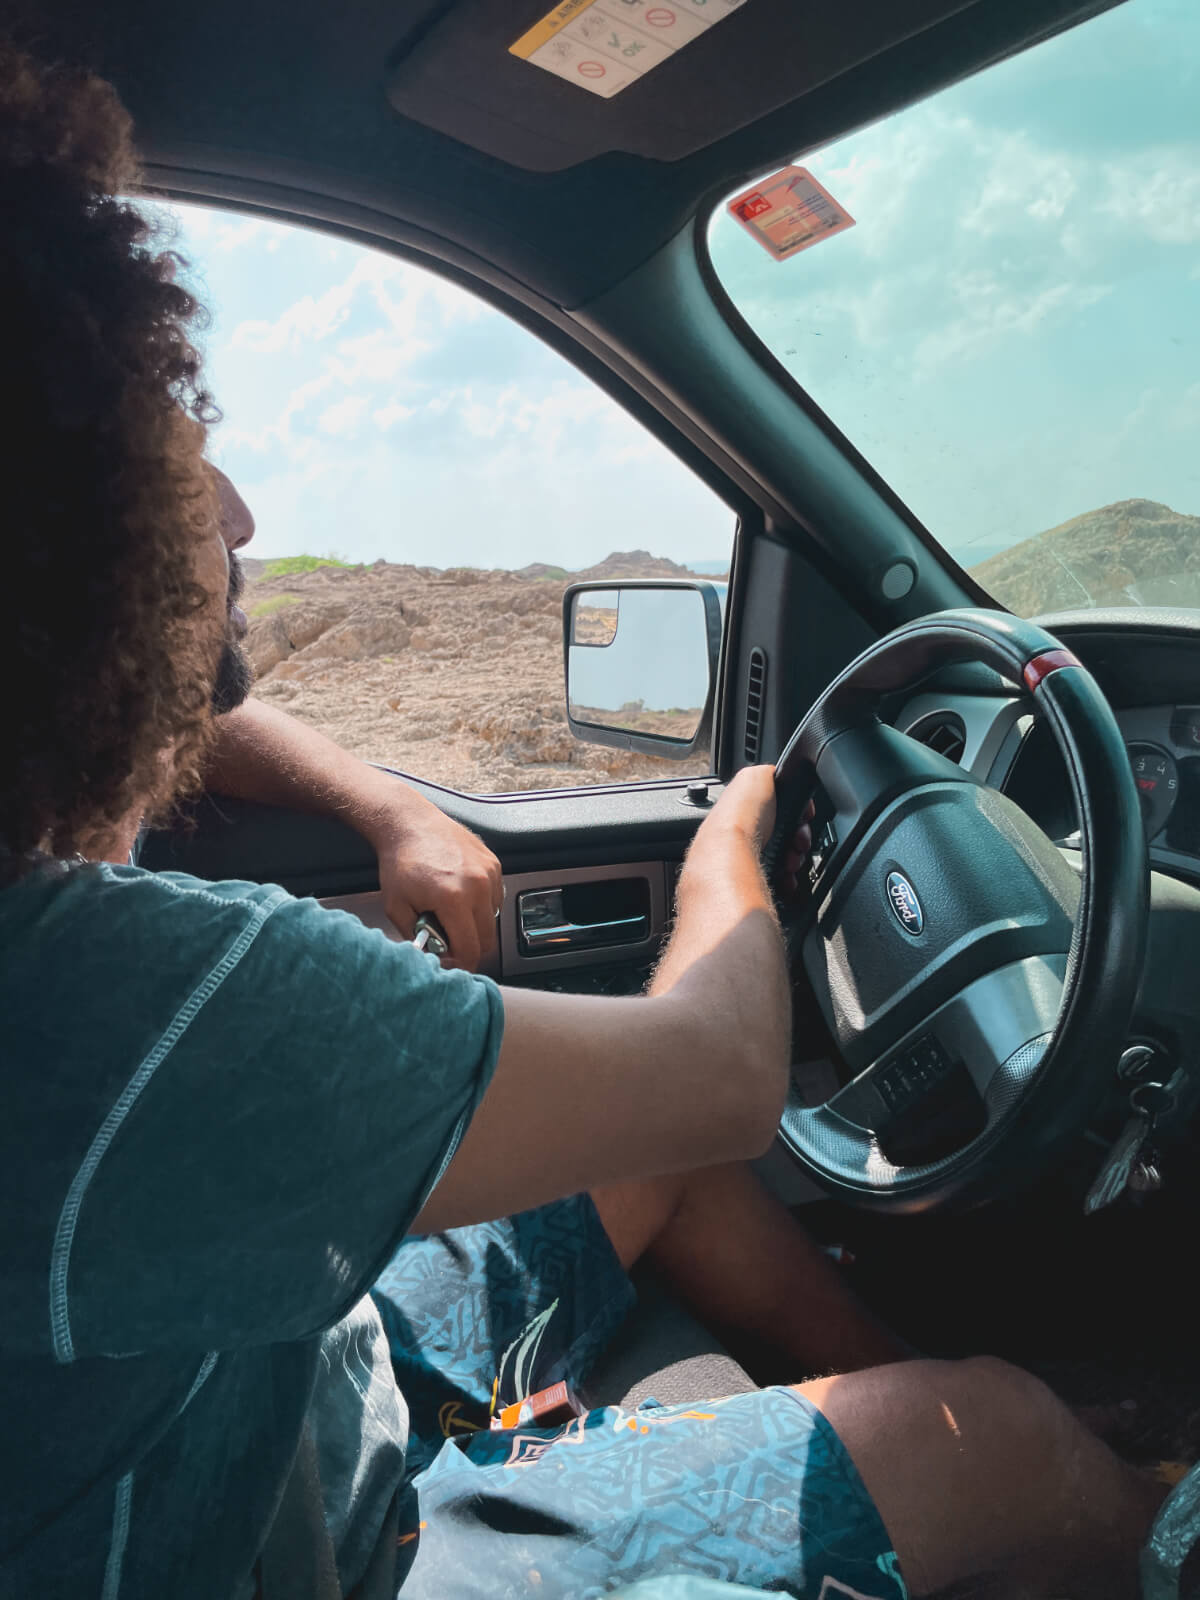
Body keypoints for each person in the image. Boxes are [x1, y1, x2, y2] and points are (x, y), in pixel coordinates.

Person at [0, 41, 1164, 1600]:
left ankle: (917, 1434)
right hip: (317, 1552)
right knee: (1007, 1429)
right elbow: (720, 1077)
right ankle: (1101, 1505)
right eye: (175, 446)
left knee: (664, 1181)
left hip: (286, 1388)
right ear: (61, 534)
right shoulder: (122, 1002)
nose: (235, 512)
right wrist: (734, 840)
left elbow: (188, 707)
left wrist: (386, 803)